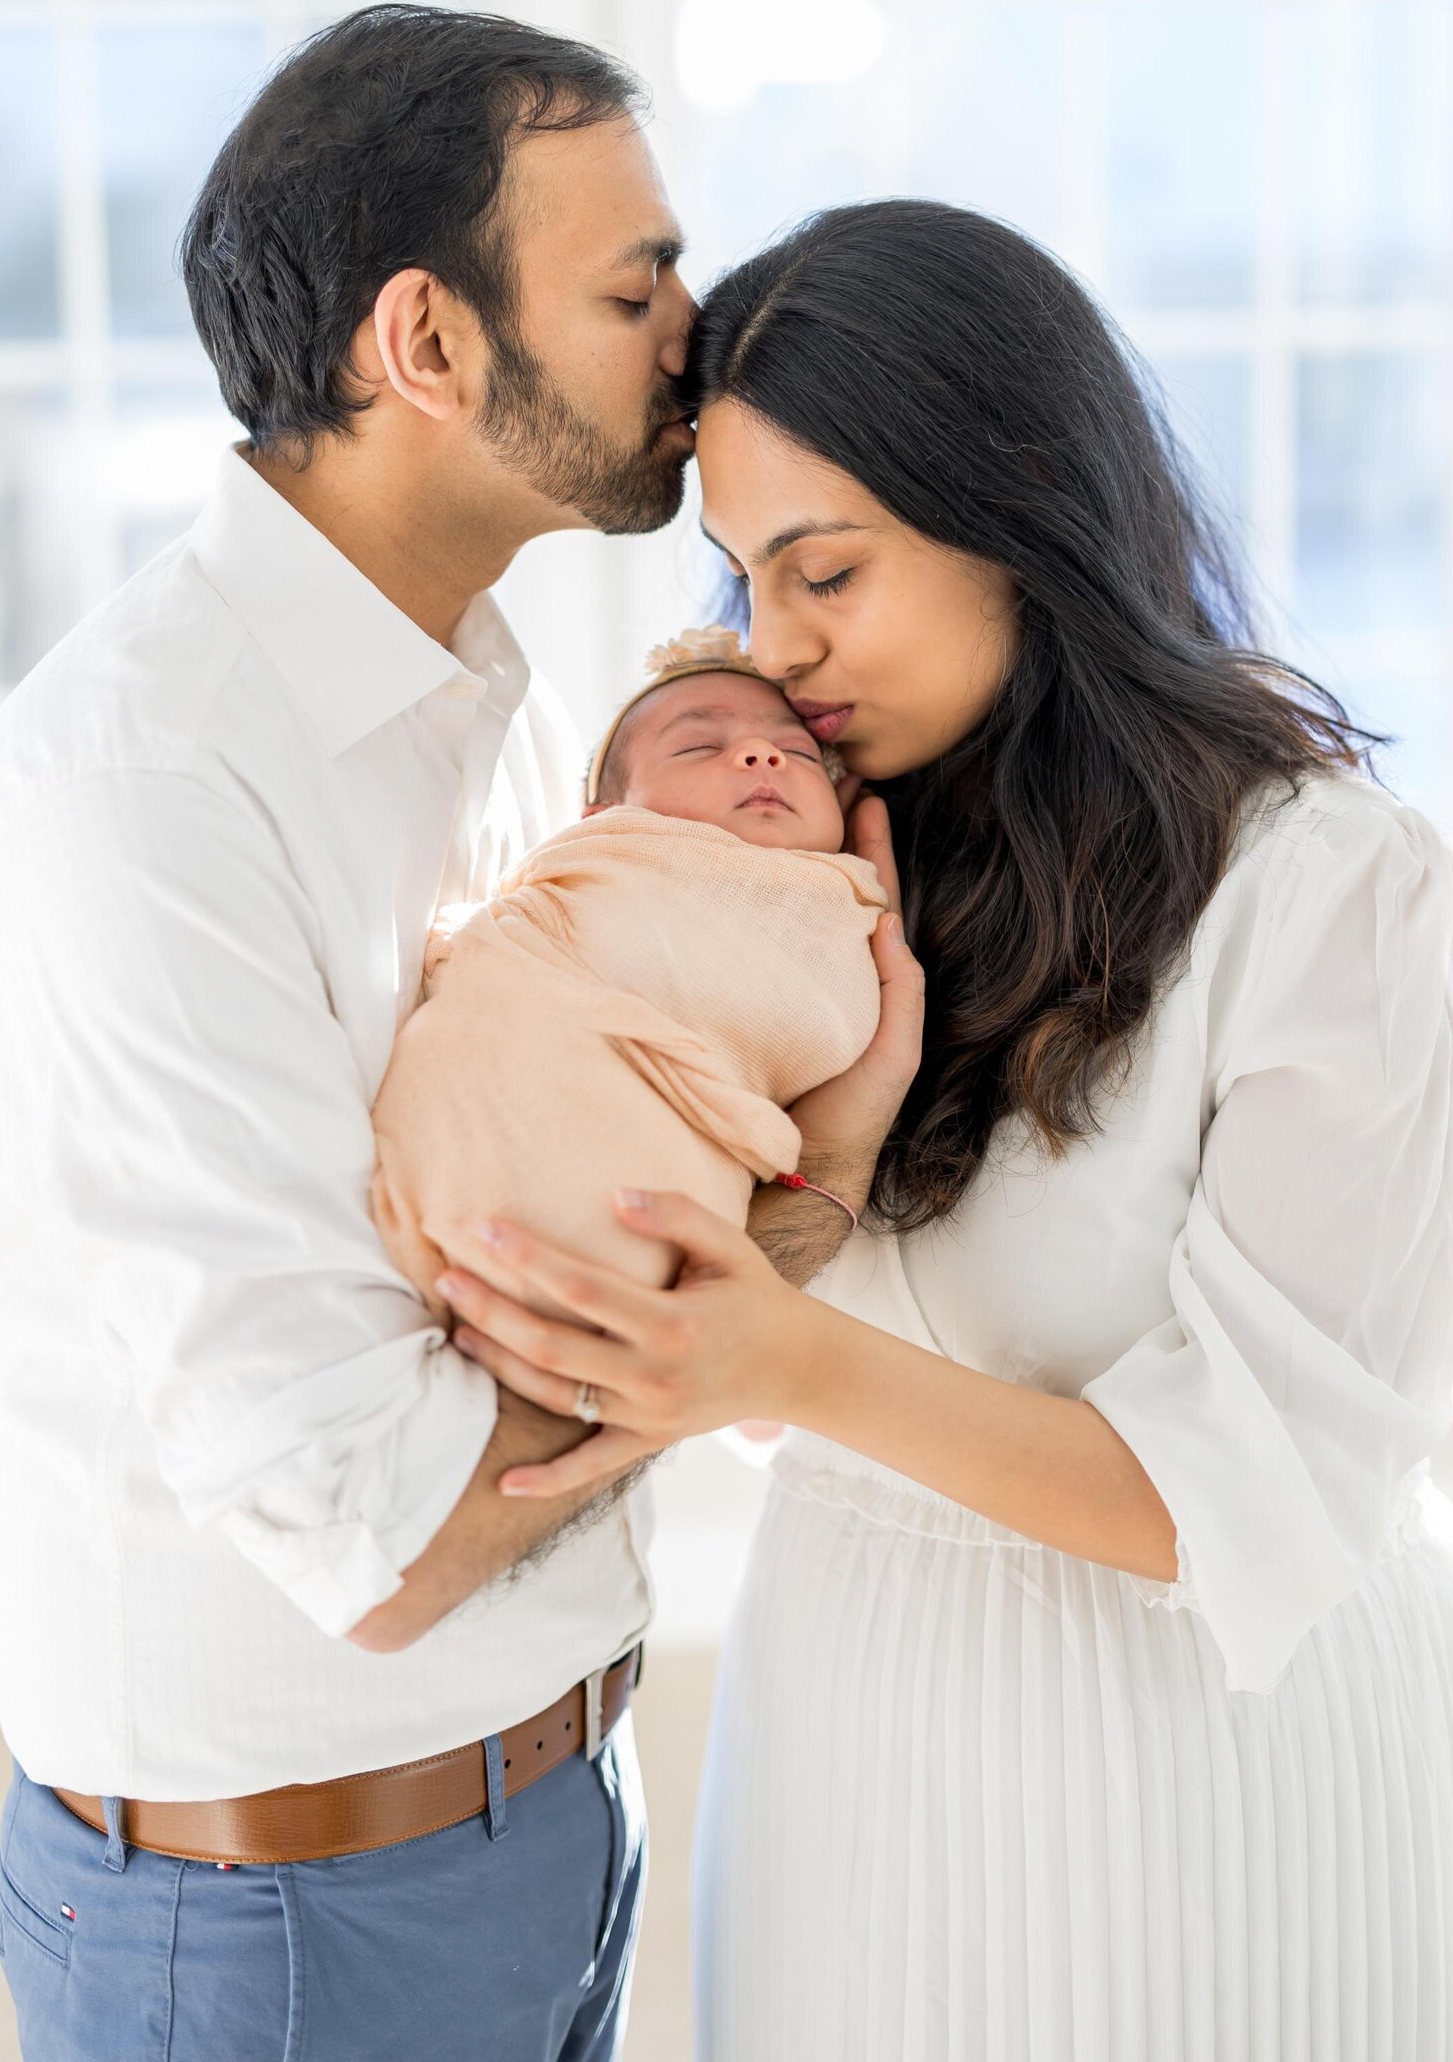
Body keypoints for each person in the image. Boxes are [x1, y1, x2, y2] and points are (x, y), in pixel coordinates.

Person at [0, 10, 917, 2062]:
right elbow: (392, 1525)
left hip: (541, 1808)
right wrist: (811, 1216)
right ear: (425, 344)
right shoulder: (153, 794)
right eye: (632, 287)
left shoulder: (475, 693)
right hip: (284, 1918)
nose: (694, 341)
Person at [434, 200, 1453, 2061]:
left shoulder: (1328, 887)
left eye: (828, 573)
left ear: (1023, 501)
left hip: (1202, 1768)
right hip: (852, 1706)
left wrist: (784, 1350)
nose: (779, 651)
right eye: (745, 581)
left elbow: (1249, 1485)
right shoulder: (817, 868)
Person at [369, 632, 884, 1328]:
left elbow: (816, 1026)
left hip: (657, 1200)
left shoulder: (839, 910)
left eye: (795, 752)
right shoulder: (603, 869)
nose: (761, 755)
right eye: (699, 746)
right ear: (605, 819)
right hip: (509, 1070)